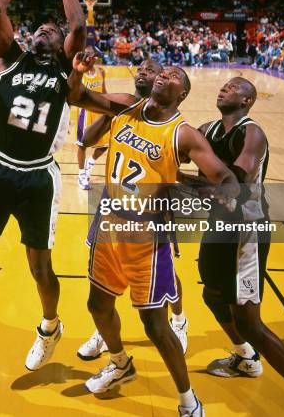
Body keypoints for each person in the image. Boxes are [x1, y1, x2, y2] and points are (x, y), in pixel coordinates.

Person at [68, 53, 240, 417]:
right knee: (97, 305)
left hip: (145, 234)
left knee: (155, 328)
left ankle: (188, 399)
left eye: (174, 75)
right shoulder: (126, 107)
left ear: (182, 94)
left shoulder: (183, 133)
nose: (164, 75)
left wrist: (223, 188)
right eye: (163, 72)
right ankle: (119, 362)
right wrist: (76, 73)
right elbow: (77, 97)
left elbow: (221, 174)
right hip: (109, 223)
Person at [0, 0, 86, 370]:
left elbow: (78, 24)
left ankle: (50, 328)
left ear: (61, 46)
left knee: (40, 268)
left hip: (37, 177)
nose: (44, 32)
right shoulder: (8, 59)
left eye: (51, 32)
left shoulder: (64, 69)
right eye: (38, 29)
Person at [188, 77, 284, 417]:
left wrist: (192, 182)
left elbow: (237, 177)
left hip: (247, 233)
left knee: (250, 322)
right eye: (224, 85)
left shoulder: (252, 132)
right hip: (219, 226)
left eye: (234, 86)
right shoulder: (208, 129)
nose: (225, 88)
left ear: (248, 100)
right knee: (212, 292)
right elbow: (178, 150)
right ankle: (245, 358)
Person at [75, 59, 190, 360]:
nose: (143, 72)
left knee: (165, 273)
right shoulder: (123, 106)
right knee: (106, 277)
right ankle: (104, 331)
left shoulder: (164, 121)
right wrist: (109, 114)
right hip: (112, 207)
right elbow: (85, 140)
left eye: (151, 70)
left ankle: (178, 319)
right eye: (140, 68)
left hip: (149, 214)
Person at [76, 46, 108, 190]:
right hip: (86, 112)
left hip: (100, 111)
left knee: (105, 144)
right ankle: (81, 174)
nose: (96, 59)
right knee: (82, 145)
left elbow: (104, 92)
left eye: (97, 57)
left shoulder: (101, 72)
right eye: (94, 56)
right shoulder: (79, 73)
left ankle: (91, 163)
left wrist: (110, 108)